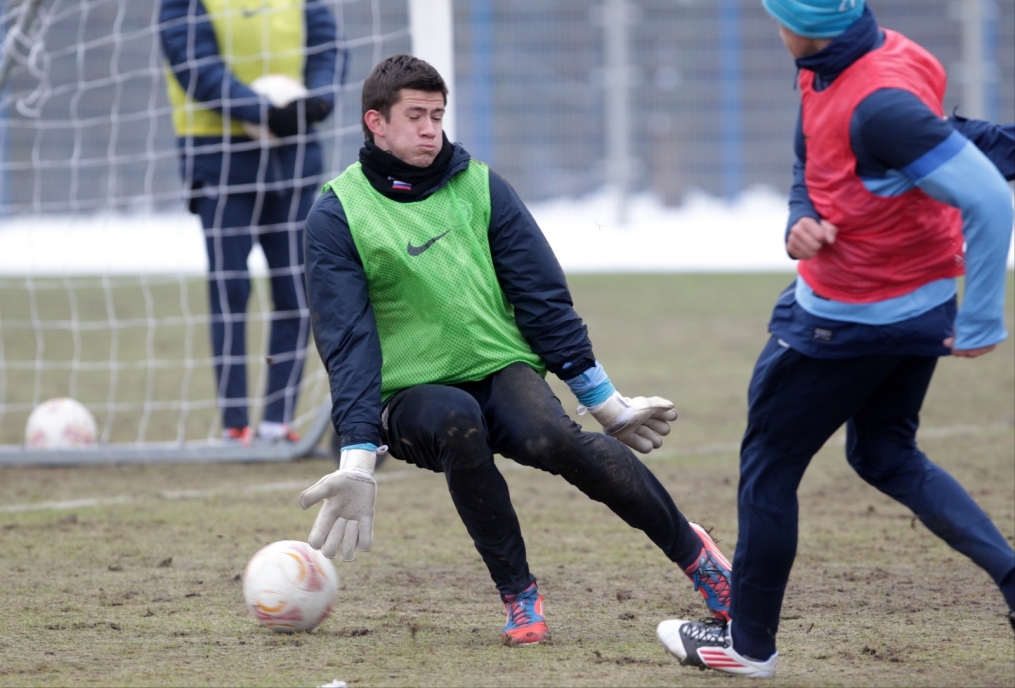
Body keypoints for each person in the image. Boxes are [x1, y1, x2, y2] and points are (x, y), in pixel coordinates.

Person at [297, 54, 733, 646]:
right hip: (410, 397)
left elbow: (542, 299)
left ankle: (701, 560)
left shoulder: (480, 185)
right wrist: (356, 457)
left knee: (552, 438)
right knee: (457, 422)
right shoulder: (337, 213)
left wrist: (605, 405)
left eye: (438, 115)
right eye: (415, 116)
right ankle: (519, 595)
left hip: (501, 369)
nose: (431, 128)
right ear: (375, 122)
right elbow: (346, 341)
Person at [657, 0, 1015, 678]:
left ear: (803, 23)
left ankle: (746, 648)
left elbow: (989, 199)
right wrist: (801, 219)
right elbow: (817, 162)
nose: (774, 27)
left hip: (844, 320)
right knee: (882, 452)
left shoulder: (875, 100)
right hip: (917, 308)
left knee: (768, 465)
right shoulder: (863, 57)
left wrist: (985, 317)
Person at [159, 0, 342, 444]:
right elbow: (196, 67)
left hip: (293, 159)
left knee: (296, 291)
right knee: (230, 290)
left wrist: (313, 102)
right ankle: (235, 423)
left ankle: (277, 421)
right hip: (219, 160)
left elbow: (328, 53)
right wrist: (261, 110)